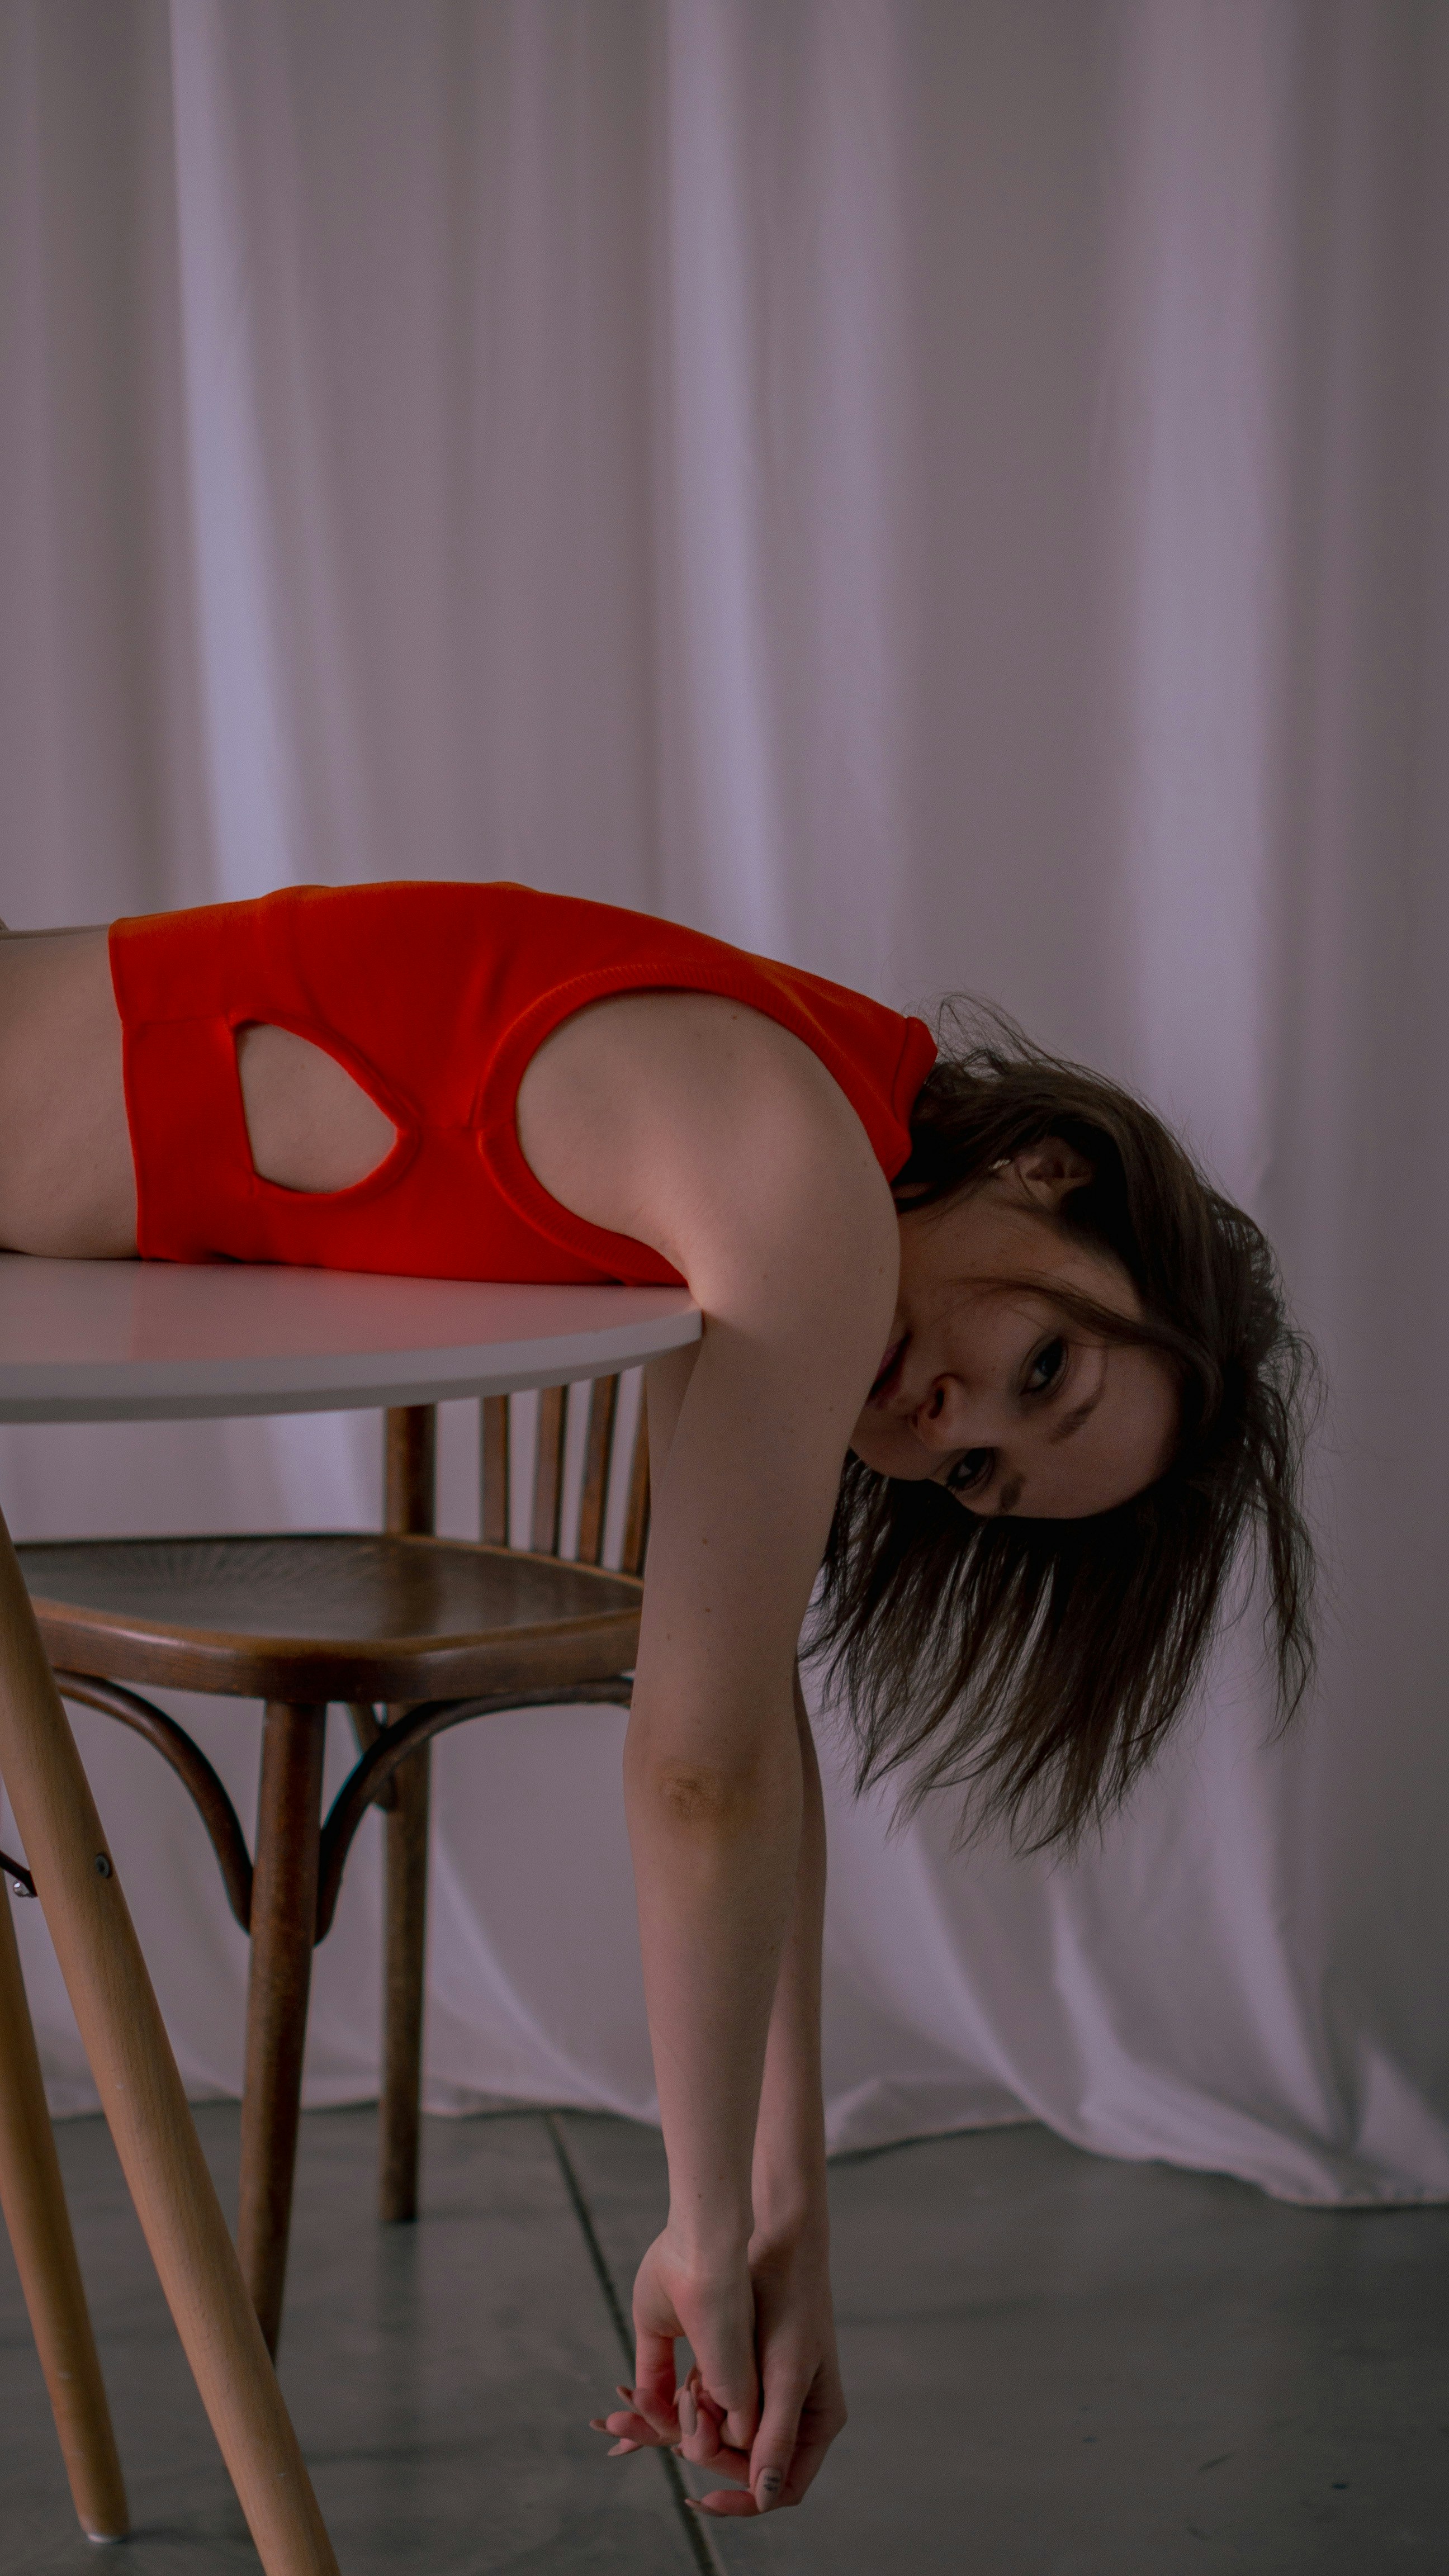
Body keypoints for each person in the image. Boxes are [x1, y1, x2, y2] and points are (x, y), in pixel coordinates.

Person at [0, 881, 1314, 2519]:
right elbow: (695, 1776)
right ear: (1057, 1177)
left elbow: (745, 1722)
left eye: (980, 1471)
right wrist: (699, 2227)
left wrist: (782, 2210)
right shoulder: (804, 1176)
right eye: (1044, 1364)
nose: (954, 1419)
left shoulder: (804, 1147)